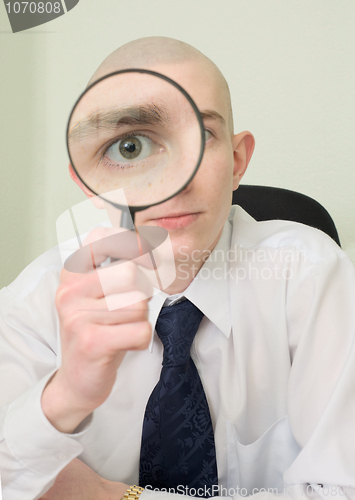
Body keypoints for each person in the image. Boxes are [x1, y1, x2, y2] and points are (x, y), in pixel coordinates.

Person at [1, 36, 355, 500]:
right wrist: (64, 395)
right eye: (130, 147)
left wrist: (114, 496)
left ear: (235, 160)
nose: (174, 180)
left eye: (201, 137)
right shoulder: (33, 304)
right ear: (91, 182)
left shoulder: (312, 274)